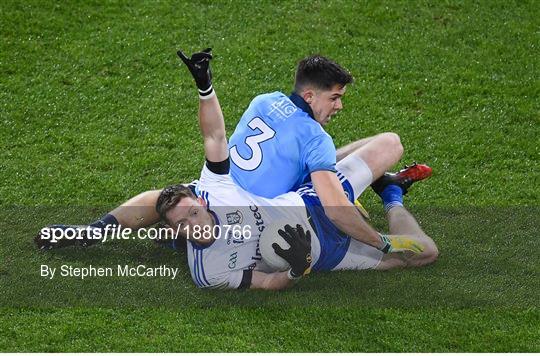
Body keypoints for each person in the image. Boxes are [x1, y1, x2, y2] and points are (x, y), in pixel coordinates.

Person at [35, 48, 414, 254]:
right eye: (335, 98)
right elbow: (335, 210)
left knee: (161, 199)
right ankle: (386, 186)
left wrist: (205, 87)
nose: (339, 106)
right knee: (389, 142)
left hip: (216, 186)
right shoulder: (316, 139)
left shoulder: (264, 100)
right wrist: (380, 241)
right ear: (310, 95)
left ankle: (92, 232)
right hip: (254, 218)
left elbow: (218, 136)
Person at [151, 86, 438, 290]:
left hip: (311, 200)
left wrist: (205, 88)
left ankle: (332, 174)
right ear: (175, 230)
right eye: (182, 223)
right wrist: (296, 269)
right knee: (424, 254)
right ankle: (391, 194)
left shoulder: (217, 191)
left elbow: (214, 135)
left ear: (200, 202)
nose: (193, 224)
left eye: (191, 213)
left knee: (390, 143)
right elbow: (267, 283)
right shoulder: (208, 272)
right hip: (329, 252)